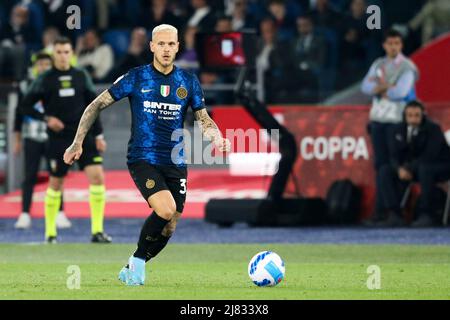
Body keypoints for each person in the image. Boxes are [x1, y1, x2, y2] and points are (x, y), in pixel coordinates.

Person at [63, 24, 231, 286]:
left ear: (177, 47)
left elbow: (203, 118)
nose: (166, 49)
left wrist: (217, 137)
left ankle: (131, 264)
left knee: (170, 224)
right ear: (152, 46)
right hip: (143, 158)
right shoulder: (136, 77)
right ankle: (139, 264)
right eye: (160, 44)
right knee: (165, 209)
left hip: (175, 161)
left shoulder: (188, 81)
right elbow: (96, 105)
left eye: (171, 44)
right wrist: (77, 142)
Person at [20, 37, 111, 243]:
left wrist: (99, 135)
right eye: (59, 52)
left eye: (67, 52)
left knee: (97, 178)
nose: (63, 56)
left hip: (84, 136)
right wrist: (46, 118)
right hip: (59, 140)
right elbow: (24, 106)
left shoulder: (81, 75)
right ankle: (50, 233)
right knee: (56, 183)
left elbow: (94, 106)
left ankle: (97, 231)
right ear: (54, 55)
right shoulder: (45, 78)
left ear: (72, 54)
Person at [361, 29, 419, 227]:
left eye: (397, 43)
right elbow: (365, 88)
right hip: (378, 119)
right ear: (384, 45)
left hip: (396, 121)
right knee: (380, 166)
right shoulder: (378, 64)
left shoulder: (407, 67)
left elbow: (400, 92)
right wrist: (386, 87)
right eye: (390, 43)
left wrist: (380, 87)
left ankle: (394, 211)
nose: (393, 47)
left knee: (392, 165)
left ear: (401, 45)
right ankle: (381, 211)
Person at [13, 52, 71, 230]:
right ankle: (24, 213)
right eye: (40, 64)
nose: (43, 67)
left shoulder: (55, 81)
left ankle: (60, 212)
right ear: (35, 66)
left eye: (47, 64)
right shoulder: (25, 85)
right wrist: (17, 137)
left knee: (57, 175)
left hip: (52, 137)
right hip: (31, 135)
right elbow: (19, 112)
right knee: (29, 175)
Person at [379, 101, 450, 227]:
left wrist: (407, 168)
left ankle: (426, 214)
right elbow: (393, 155)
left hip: (440, 166)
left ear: (422, 115)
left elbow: (430, 155)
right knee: (385, 170)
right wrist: (399, 169)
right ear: (405, 116)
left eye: (417, 115)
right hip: (412, 168)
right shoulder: (397, 130)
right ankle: (395, 213)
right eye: (410, 115)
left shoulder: (433, 129)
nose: (413, 119)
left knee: (425, 169)